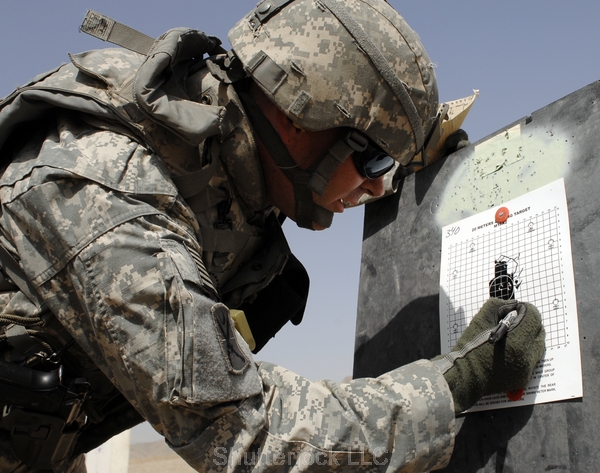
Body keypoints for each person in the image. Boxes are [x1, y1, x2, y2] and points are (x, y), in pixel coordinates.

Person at [0, 1, 545, 472]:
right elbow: (249, 435)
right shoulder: (102, 193)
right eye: (376, 160)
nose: (379, 187)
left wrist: (411, 156)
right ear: (298, 118)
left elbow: (343, 162)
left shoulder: (230, 148)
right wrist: (460, 380)